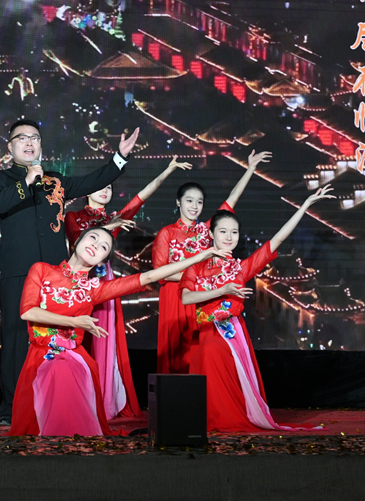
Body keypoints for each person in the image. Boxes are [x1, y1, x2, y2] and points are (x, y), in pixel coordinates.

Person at [0, 118, 139, 426]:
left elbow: (93, 181)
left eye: (35, 138)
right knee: (16, 338)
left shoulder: (56, 181)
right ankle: (11, 408)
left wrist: (119, 157)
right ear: (10, 147)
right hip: (18, 271)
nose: (29, 142)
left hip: (58, 275)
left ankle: (54, 399)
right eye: (22, 138)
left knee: (59, 334)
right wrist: (27, 180)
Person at [9, 227, 230, 436]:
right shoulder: (42, 270)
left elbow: (150, 277)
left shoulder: (95, 290)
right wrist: (75, 322)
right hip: (39, 355)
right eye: (93, 238)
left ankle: (68, 442)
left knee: (62, 369)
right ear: (77, 241)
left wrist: (200, 257)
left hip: (71, 357)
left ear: (102, 261)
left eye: (104, 247)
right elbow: (28, 312)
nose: (96, 245)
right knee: (52, 377)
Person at [180, 186, 334, 432]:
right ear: (211, 233)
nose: (229, 237)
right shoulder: (196, 266)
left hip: (231, 333)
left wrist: (304, 206)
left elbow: (277, 240)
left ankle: (227, 419)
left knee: (220, 363)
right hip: (205, 332)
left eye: (234, 232)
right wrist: (222, 290)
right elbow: (186, 298)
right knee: (207, 359)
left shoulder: (241, 269)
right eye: (223, 231)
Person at [64, 155, 192, 419]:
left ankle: (101, 400)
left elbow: (141, 197)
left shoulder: (116, 217)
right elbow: (78, 241)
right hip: (77, 282)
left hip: (105, 283)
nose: (105, 190)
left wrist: (167, 171)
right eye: (101, 185)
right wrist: (110, 227)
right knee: (74, 336)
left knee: (102, 339)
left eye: (110, 187)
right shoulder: (72, 216)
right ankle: (74, 397)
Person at [153, 150, 271, 375]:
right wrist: (195, 278)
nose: (194, 206)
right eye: (189, 201)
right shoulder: (166, 233)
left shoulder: (206, 230)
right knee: (176, 352)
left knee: (200, 352)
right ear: (178, 202)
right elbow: (160, 272)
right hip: (174, 297)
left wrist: (250, 169)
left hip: (203, 297)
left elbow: (231, 200)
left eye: (199, 202)